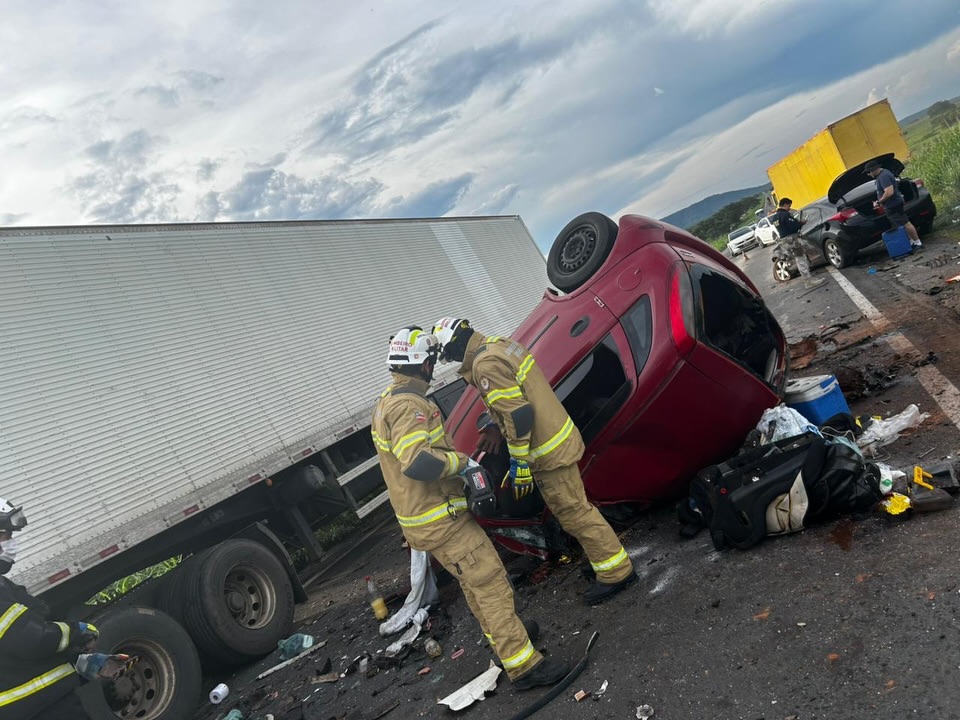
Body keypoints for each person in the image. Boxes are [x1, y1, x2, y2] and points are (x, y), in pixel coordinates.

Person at [371, 327, 569, 690]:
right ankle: (523, 665)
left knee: (474, 583)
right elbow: (416, 463)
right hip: (440, 517)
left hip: (428, 518)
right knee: (489, 581)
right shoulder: (407, 406)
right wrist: (464, 466)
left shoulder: (388, 399)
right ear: (422, 363)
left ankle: (506, 639)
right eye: (431, 360)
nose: (434, 366)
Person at [432, 318, 638, 605]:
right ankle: (604, 560)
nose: (450, 361)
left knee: (575, 514)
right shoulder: (499, 345)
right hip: (558, 435)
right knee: (578, 509)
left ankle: (617, 572)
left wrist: (519, 463)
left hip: (546, 451)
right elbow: (518, 393)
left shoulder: (484, 365)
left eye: (448, 354)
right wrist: (494, 423)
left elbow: (518, 414)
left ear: (455, 346)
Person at [0, 497, 100, 719]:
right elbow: (29, 638)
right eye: (5, 535)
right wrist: (78, 632)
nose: (10, 543)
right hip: (38, 708)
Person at [865, 159, 921, 248]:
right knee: (901, 224)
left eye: (869, 172)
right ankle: (911, 242)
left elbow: (889, 191)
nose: (868, 174)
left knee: (905, 223)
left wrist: (879, 202)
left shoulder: (883, 177)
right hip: (893, 203)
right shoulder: (885, 173)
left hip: (893, 204)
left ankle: (917, 242)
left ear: (874, 169)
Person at [774, 198, 823, 289]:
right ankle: (808, 281)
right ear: (785, 204)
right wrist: (801, 223)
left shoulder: (775, 217)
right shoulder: (785, 215)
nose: (789, 208)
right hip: (792, 240)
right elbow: (793, 227)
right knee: (801, 259)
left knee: (799, 259)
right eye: (789, 205)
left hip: (785, 241)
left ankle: (808, 279)